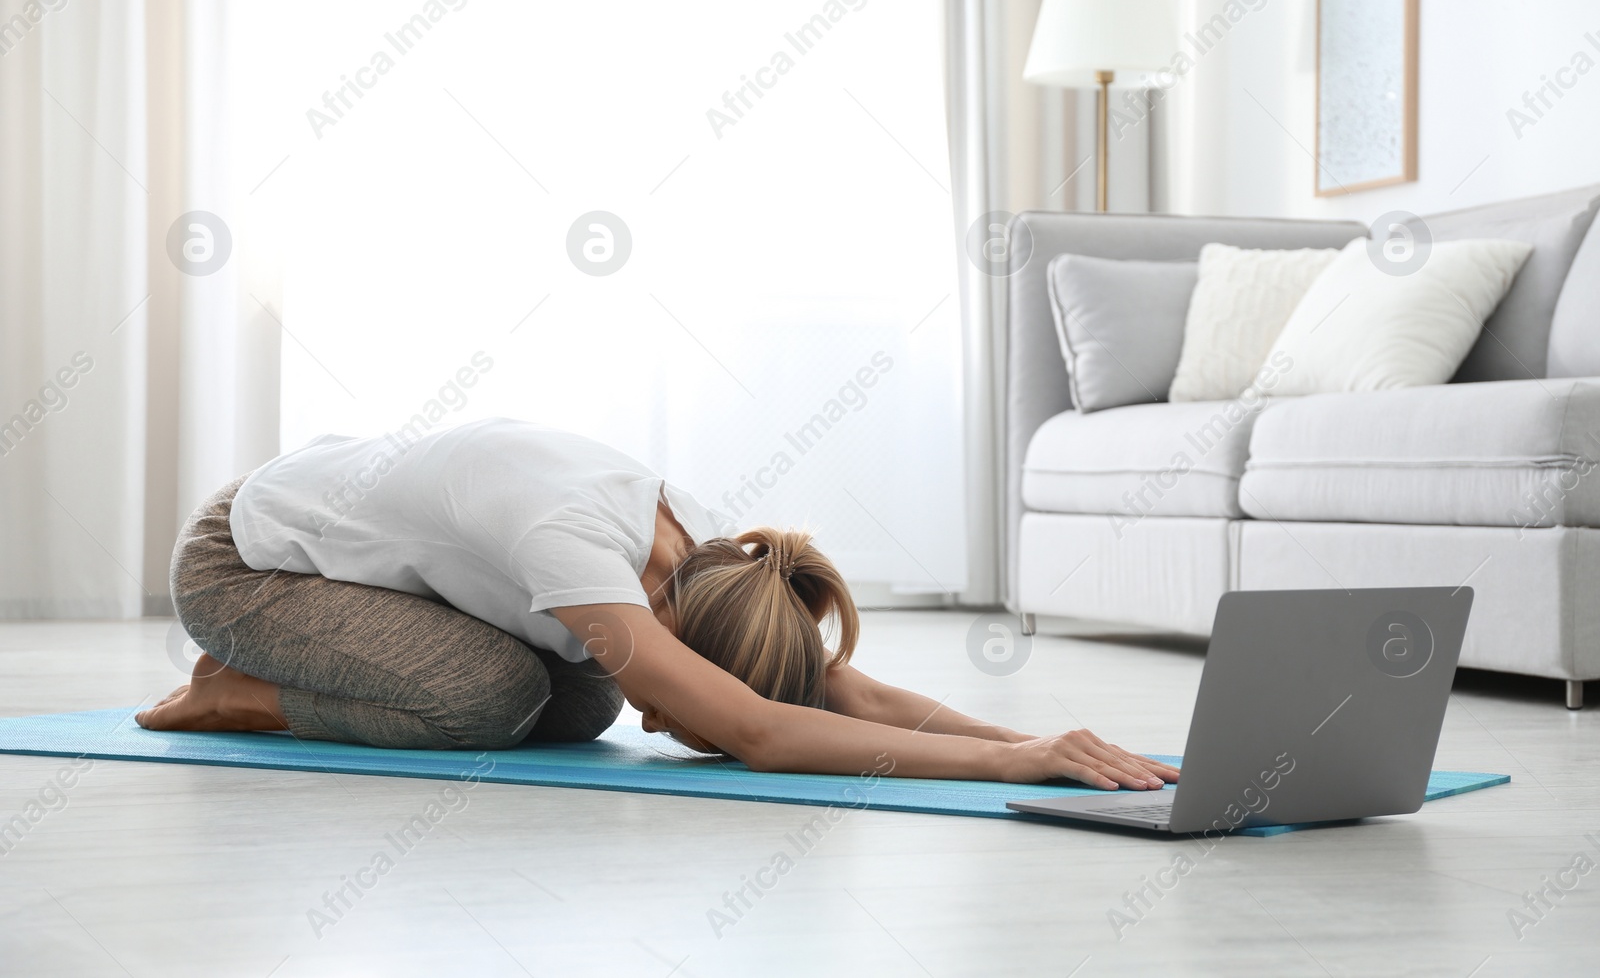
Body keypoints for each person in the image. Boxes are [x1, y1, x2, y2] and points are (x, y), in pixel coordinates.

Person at [138, 418, 1178, 790]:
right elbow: (764, 727)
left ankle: (266, 678)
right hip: (249, 562)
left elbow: (829, 687)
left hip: (355, 550)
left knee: (581, 705)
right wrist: (1004, 767)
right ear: (686, 633)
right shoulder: (579, 542)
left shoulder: (710, 561)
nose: (659, 722)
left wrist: (1032, 734)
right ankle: (238, 688)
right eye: (682, 715)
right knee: (489, 699)